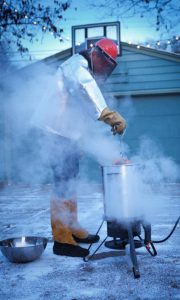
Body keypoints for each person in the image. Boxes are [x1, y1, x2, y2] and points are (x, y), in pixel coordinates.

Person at [33, 38, 126, 257]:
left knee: (70, 179)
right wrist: (108, 114)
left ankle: (72, 227)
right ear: (95, 53)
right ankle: (61, 239)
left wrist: (79, 140)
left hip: (65, 134)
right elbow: (87, 88)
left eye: (108, 66)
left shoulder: (84, 71)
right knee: (62, 182)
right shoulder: (76, 66)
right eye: (104, 63)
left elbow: (79, 111)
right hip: (53, 131)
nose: (104, 69)